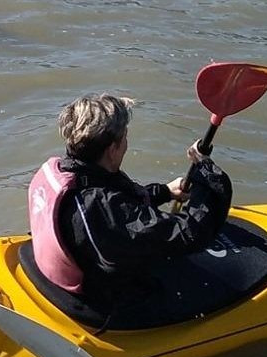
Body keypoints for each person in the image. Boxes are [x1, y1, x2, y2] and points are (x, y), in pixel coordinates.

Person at [27, 93, 234, 310]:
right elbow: (191, 233)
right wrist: (208, 175)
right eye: (124, 137)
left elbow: (116, 206)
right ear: (112, 149)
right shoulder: (101, 209)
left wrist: (163, 192)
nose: (127, 143)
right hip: (102, 299)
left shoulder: (65, 170)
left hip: (60, 268)